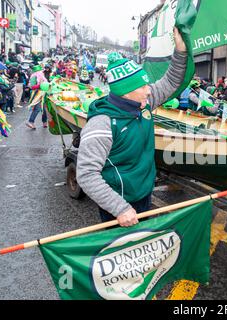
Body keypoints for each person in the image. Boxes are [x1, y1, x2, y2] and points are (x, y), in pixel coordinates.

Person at [76, 27, 187, 227]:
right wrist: (120, 208)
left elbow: (171, 81)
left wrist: (180, 51)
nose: (149, 91)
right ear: (126, 92)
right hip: (118, 204)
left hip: (144, 193)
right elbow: (86, 174)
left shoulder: (143, 104)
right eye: (143, 86)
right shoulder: (101, 124)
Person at [26, 65, 48, 129]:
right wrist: (40, 86)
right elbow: (32, 87)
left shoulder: (42, 76)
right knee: (37, 108)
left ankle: (44, 122)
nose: (41, 72)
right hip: (36, 94)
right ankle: (30, 121)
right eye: (40, 70)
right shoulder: (34, 76)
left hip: (43, 93)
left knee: (44, 109)